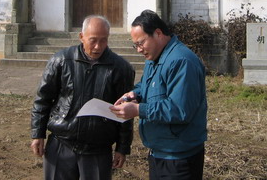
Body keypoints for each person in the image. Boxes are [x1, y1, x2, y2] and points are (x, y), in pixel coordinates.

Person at [30, 15, 135, 180]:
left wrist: (122, 147)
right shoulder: (61, 60)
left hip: (98, 148)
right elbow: (43, 99)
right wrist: (38, 133)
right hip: (62, 142)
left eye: (104, 40)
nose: (98, 46)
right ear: (81, 37)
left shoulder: (121, 68)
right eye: (93, 40)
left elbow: (125, 114)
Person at [110, 10, 208, 180]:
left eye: (141, 43)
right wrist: (135, 94)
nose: (139, 50)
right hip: (159, 151)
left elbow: (179, 109)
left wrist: (139, 110)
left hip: (179, 158)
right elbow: (147, 85)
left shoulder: (181, 61)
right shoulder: (154, 58)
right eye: (136, 45)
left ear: (158, 33)